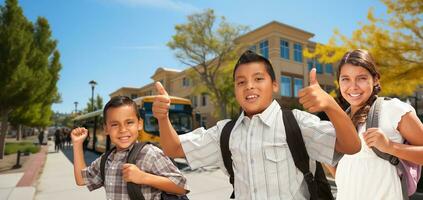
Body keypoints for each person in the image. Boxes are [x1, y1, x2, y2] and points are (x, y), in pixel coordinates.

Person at [153, 50, 361, 200]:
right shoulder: (225, 132)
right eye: (241, 82)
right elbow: (173, 148)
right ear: (235, 89)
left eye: (258, 78)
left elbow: (351, 146)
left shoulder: (297, 122)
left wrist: (331, 106)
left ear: (274, 84)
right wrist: (163, 118)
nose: (249, 85)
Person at [324, 49, 423, 200]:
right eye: (345, 79)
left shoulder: (394, 110)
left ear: (375, 79)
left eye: (361, 78)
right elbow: (347, 174)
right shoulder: (340, 121)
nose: (353, 86)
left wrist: (390, 146)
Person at [71, 96, 188, 200]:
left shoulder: (150, 153)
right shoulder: (106, 160)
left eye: (129, 122)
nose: (122, 130)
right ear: (106, 129)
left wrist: (144, 177)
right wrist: (77, 144)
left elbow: (182, 187)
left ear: (139, 124)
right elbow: (82, 180)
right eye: (115, 124)